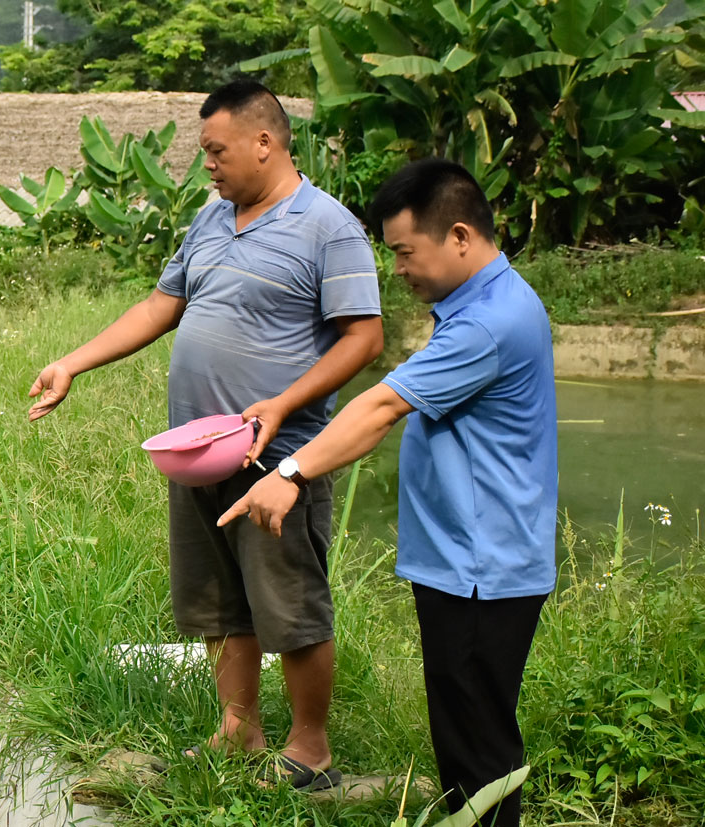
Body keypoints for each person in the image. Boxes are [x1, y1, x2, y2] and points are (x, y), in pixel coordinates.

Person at [27, 79, 383, 790]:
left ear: (265, 141)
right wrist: (73, 362)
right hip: (200, 449)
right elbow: (163, 304)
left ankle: (309, 749)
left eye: (217, 151)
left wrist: (282, 403)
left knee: (291, 602)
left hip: (279, 455)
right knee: (219, 600)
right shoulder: (212, 218)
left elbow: (364, 338)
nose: (208, 165)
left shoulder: (327, 225)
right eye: (203, 152)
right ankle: (239, 729)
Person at [220, 158, 556, 825]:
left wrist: (290, 474)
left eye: (405, 251)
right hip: (468, 563)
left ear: (460, 235)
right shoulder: (482, 304)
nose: (397, 269)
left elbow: (379, 406)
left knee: (482, 747)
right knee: (465, 735)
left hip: (482, 570)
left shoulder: (490, 322)